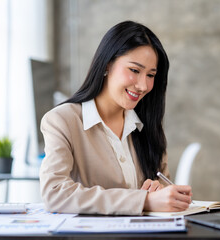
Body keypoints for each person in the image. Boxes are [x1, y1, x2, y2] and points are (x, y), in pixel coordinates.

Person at [39, 20, 192, 215]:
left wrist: (162, 193)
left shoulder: (147, 126)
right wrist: (143, 200)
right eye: (135, 70)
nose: (143, 85)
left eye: (151, 75)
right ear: (107, 65)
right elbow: (55, 194)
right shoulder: (62, 120)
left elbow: (160, 187)